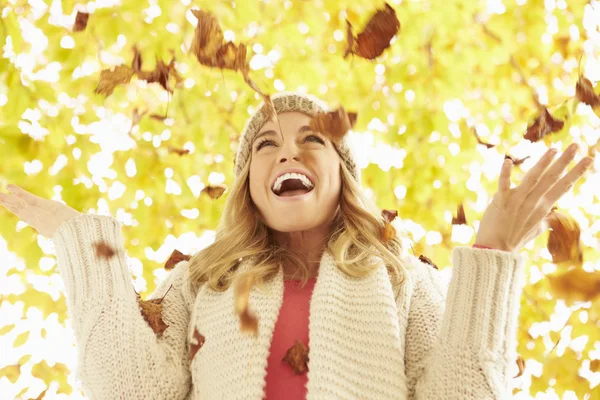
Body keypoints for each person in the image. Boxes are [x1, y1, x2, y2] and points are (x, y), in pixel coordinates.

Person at [0, 92, 593, 400]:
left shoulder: (401, 278)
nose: (287, 152)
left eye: (313, 140)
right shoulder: (200, 283)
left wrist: (490, 254)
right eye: (265, 144)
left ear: (342, 175)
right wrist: (82, 243)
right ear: (250, 186)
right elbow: (128, 392)